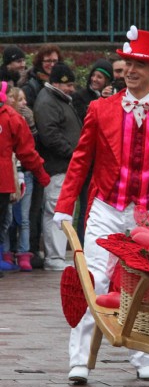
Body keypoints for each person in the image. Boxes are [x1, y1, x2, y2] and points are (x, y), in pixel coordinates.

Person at [53, 26, 149, 383]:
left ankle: (143, 354)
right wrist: (65, 204)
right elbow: (81, 160)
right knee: (93, 278)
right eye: (127, 62)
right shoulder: (100, 109)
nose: (131, 70)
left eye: (140, 64)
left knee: (145, 283)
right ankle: (79, 359)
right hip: (107, 207)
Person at [34, 62, 82, 271]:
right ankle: (54, 257)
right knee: (55, 210)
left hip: (63, 166)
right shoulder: (48, 102)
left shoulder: (57, 99)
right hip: (56, 166)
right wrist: (72, 154)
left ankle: (58, 256)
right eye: (68, 84)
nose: (72, 89)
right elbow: (50, 135)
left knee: (60, 209)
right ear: (57, 83)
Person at [0, 81, 50, 279]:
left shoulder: (12, 118)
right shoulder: (12, 118)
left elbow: (27, 152)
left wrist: (41, 175)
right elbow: (27, 152)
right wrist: (42, 175)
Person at [21, 44, 63, 269]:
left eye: (54, 61)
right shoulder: (32, 86)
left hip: (45, 156)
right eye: (47, 60)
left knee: (41, 204)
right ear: (40, 62)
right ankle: (31, 250)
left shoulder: (54, 87)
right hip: (35, 151)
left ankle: (36, 249)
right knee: (34, 207)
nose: (51, 64)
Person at [72, 59, 114, 246]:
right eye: (94, 76)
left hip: (104, 161)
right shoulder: (81, 96)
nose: (96, 80)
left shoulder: (114, 96)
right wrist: (101, 101)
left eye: (101, 77)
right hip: (88, 160)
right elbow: (88, 118)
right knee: (85, 206)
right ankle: (83, 244)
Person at [3, 87, 39, 271]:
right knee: (7, 217)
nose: (23, 103)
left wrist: (31, 123)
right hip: (9, 174)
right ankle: (6, 252)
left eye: (25, 99)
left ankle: (23, 253)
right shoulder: (6, 119)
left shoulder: (24, 119)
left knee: (23, 218)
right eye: (18, 99)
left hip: (25, 174)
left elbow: (31, 147)